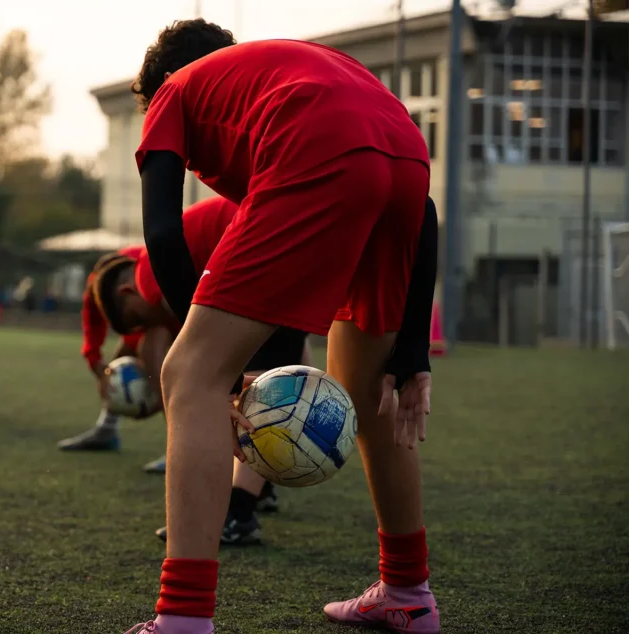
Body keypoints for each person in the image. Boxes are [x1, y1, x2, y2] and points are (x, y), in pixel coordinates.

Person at [123, 21, 439, 634]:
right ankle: (408, 592)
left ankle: (183, 619)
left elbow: (162, 232)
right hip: (404, 150)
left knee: (189, 376)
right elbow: (421, 210)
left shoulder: (174, 89)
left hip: (320, 143)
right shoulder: (283, 70)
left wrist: (211, 358)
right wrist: (412, 352)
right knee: (373, 390)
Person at [91, 197, 314, 545]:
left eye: (135, 319)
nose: (145, 326)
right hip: (291, 241)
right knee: (281, 369)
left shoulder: (151, 275)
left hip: (269, 248)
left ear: (127, 292)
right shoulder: (170, 266)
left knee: (255, 393)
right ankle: (262, 486)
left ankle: (238, 515)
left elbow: (202, 347)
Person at [57, 247, 171, 474]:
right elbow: (92, 322)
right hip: (160, 315)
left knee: (152, 355)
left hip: (181, 311)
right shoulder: (99, 281)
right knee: (120, 362)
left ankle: (180, 444)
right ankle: (107, 428)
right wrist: (95, 361)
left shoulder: (145, 264)